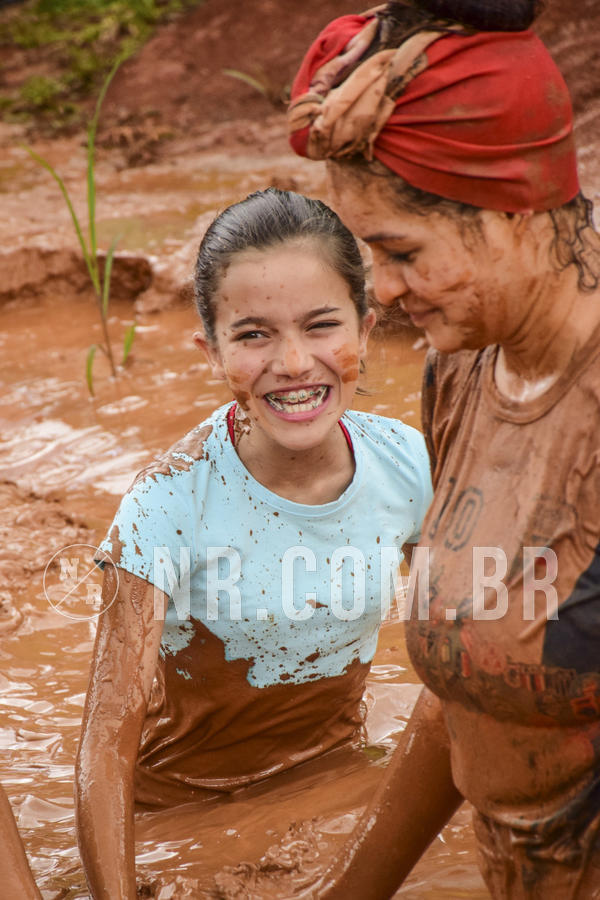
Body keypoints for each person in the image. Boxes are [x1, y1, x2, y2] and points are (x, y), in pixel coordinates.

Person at [287, 1, 600, 898]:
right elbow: (464, 696)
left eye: (400, 252)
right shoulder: (463, 368)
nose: (379, 292)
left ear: (513, 213)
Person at [74, 188, 433, 898]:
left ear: (364, 328)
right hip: (180, 811)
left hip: (333, 773)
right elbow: (105, 753)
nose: (295, 362)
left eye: (321, 325)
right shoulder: (167, 504)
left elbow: (459, 658)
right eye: (254, 335)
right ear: (211, 351)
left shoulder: (408, 465)